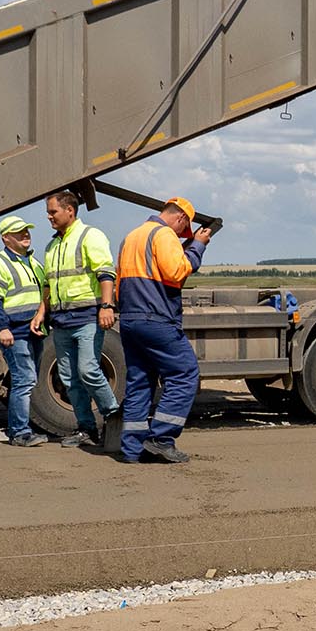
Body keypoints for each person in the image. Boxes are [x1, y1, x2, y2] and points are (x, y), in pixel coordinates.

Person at [115, 198, 213, 464]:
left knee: (140, 382)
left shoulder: (132, 236)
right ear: (181, 219)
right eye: (185, 230)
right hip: (156, 318)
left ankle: (132, 449)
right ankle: (161, 438)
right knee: (185, 373)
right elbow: (177, 272)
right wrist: (197, 248)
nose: (183, 234)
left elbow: (120, 280)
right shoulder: (164, 234)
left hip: (129, 319)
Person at [30, 191, 120, 448]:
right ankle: (86, 429)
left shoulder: (90, 236)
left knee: (89, 370)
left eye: (53, 212)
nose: (49, 217)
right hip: (61, 321)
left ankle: (114, 418)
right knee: (69, 378)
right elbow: (49, 284)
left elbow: (105, 273)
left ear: (70, 210)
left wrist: (106, 306)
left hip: (87, 319)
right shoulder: (52, 246)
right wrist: (41, 312)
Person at [0, 215, 49, 447]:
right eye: (19, 232)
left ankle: (19, 429)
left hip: (34, 331)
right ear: (6, 238)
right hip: (14, 332)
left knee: (27, 379)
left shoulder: (34, 263)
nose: (26, 235)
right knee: (24, 380)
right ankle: (20, 433)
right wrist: (3, 328)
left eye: (27, 230)